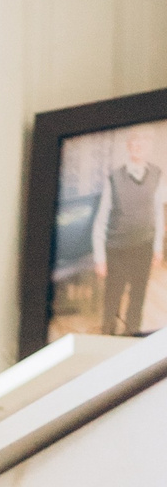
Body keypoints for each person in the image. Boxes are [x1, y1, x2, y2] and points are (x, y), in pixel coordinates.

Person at [92, 129, 165, 337]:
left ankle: (132, 337)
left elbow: (158, 213)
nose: (139, 147)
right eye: (135, 143)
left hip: (144, 246)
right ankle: (108, 335)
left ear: (148, 148)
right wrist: (100, 258)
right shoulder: (114, 178)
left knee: (138, 295)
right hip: (117, 249)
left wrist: (157, 247)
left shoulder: (157, 174)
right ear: (129, 147)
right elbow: (101, 219)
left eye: (143, 143)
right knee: (112, 297)